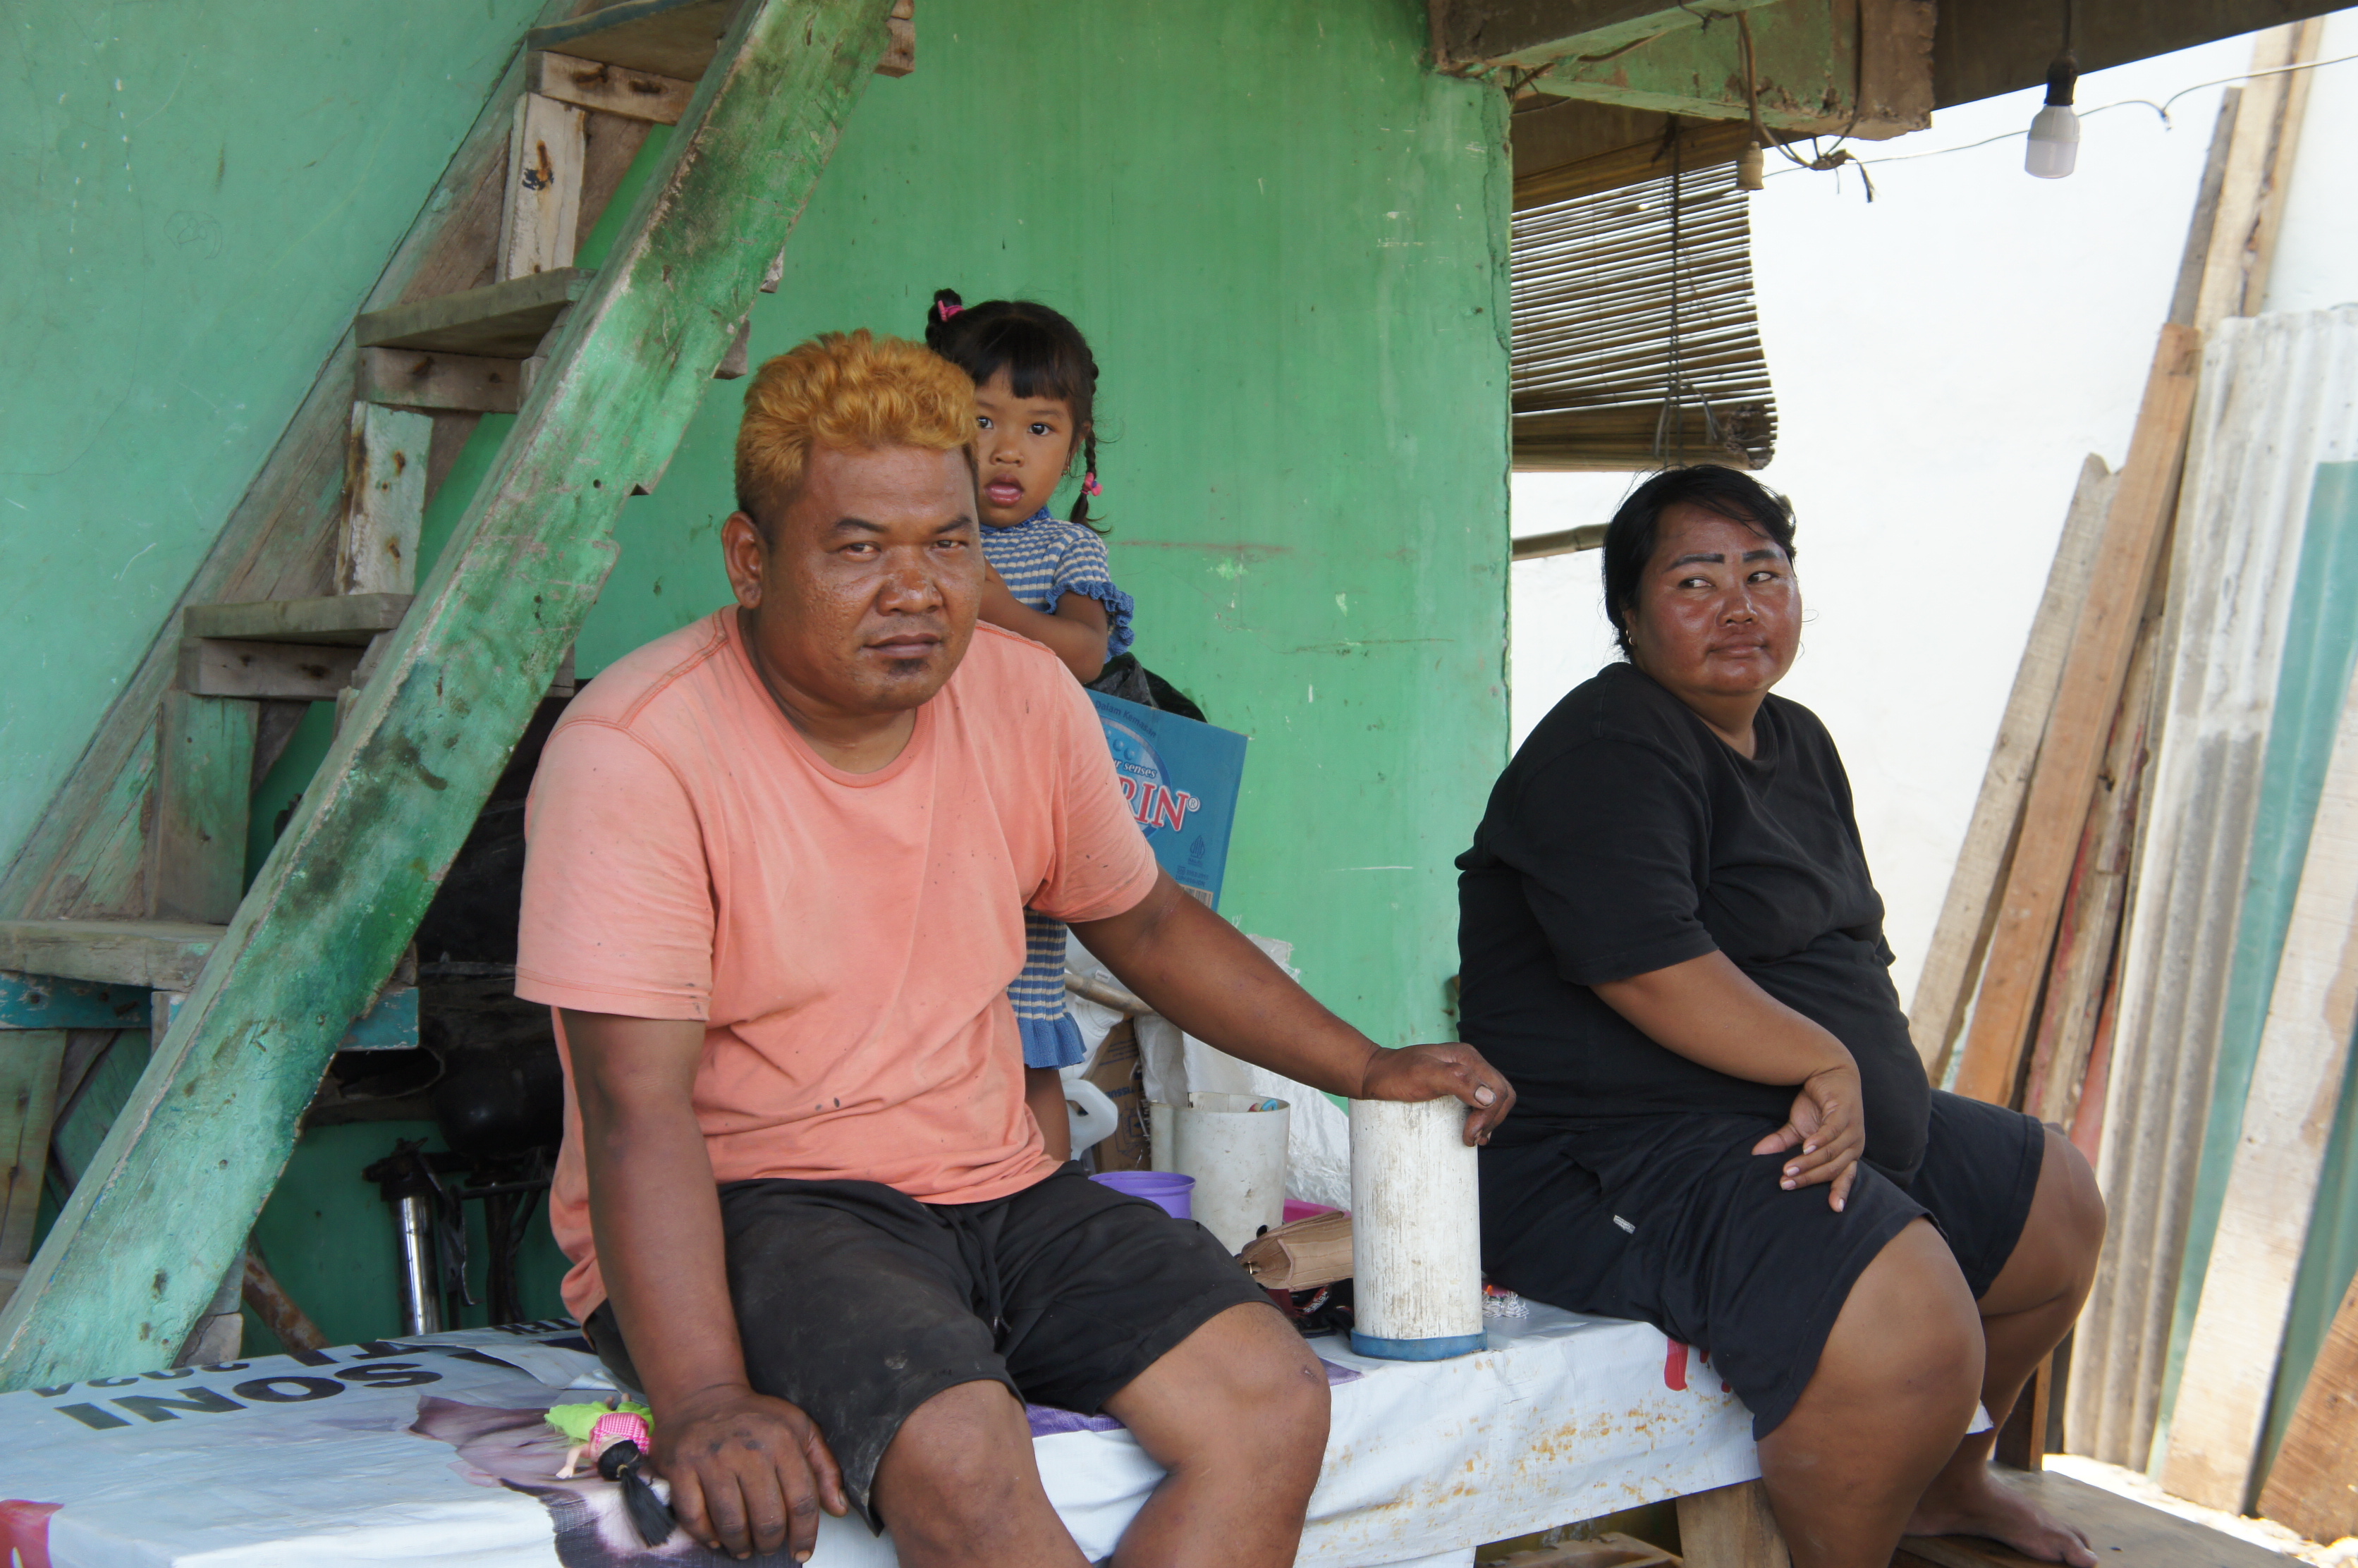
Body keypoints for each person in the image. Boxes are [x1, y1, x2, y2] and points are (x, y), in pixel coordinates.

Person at [516, 329, 1515, 1567]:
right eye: (856, 547)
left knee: (1268, 1398)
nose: (916, 589)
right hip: (754, 1200)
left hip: (993, 1183)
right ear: (750, 558)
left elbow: (1143, 920)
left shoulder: (1020, 692)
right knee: (964, 1459)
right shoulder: (638, 748)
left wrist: (1364, 1065)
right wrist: (709, 1395)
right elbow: (632, 1110)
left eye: (948, 542)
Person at [1456, 466, 2106, 1568]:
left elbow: (1846, 947)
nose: (1741, 606)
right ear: (1628, 613)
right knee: (1904, 1311)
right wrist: (1823, 1059)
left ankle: (1946, 1488)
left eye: (1764, 574)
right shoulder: (1611, 744)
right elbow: (1647, 970)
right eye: (1697, 580)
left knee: (2049, 1203)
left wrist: (1867, 1078)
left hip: (1802, 1120)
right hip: (1613, 1156)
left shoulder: (1796, 739)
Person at [922, 288, 1135, 1159]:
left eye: (1040, 428)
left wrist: (1000, 609)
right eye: (980, 420)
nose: (1007, 449)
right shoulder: (921, 532)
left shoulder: (1064, 553)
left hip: (1023, 823)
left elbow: (1085, 651)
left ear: (1077, 449)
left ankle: (1048, 1203)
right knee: (933, 1018)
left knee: (1024, 1030)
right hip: (926, 810)